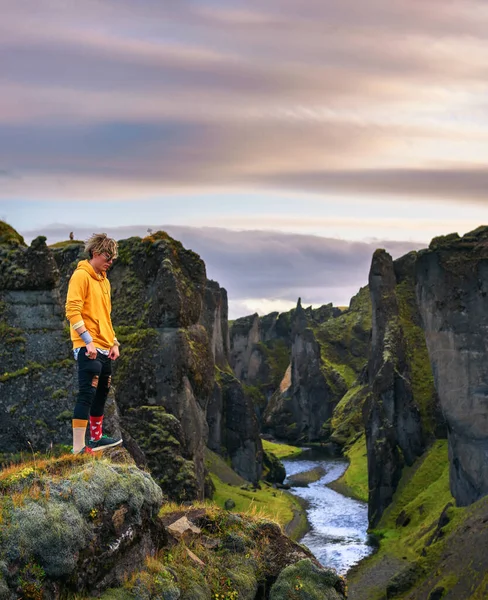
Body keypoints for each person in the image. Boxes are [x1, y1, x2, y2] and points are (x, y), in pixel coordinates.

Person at [65, 233, 123, 454]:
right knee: (86, 394)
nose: (110, 261)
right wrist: (87, 341)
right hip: (87, 347)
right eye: (108, 256)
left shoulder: (104, 281)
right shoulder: (81, 276)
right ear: (96, 253)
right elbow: (72, 310)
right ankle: (78, 448)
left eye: (113, 258)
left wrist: (114, 342)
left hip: (105, 347)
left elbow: (106, 315)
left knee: (101, 394)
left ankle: (96, 440)